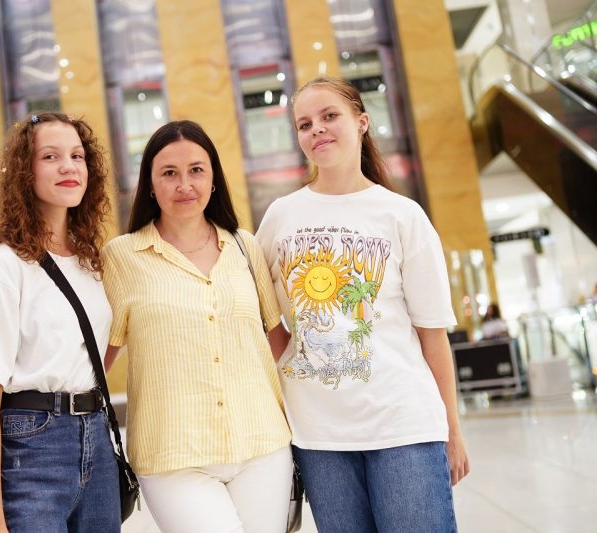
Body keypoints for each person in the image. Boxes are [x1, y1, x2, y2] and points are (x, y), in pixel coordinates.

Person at [256, 76, 470, 532]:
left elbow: (433, 335)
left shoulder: (401, 215)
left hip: (403, 425)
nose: (317, 130)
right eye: (304, 123)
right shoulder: (281, 216)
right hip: (317, 434)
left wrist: (452, 430)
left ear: (362, 122)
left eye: (330, 116)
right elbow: (256, 307)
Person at [102, 120, 293, 533]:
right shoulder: (121, 257)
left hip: (262, 443)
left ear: (213, 179)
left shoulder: (245, 246)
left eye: (196, 170)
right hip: (172, 455)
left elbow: (279, 344)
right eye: (169, 173)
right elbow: (98, 362)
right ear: (150, 185)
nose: (184, 184)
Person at [0, 112, 120, 533]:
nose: (69, 166)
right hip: (32, 441)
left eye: (77, 156)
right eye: (50, 156)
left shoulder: (93, 262)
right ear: (24, 173)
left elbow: (95, 352)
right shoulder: (3, 267)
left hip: (98, 437)